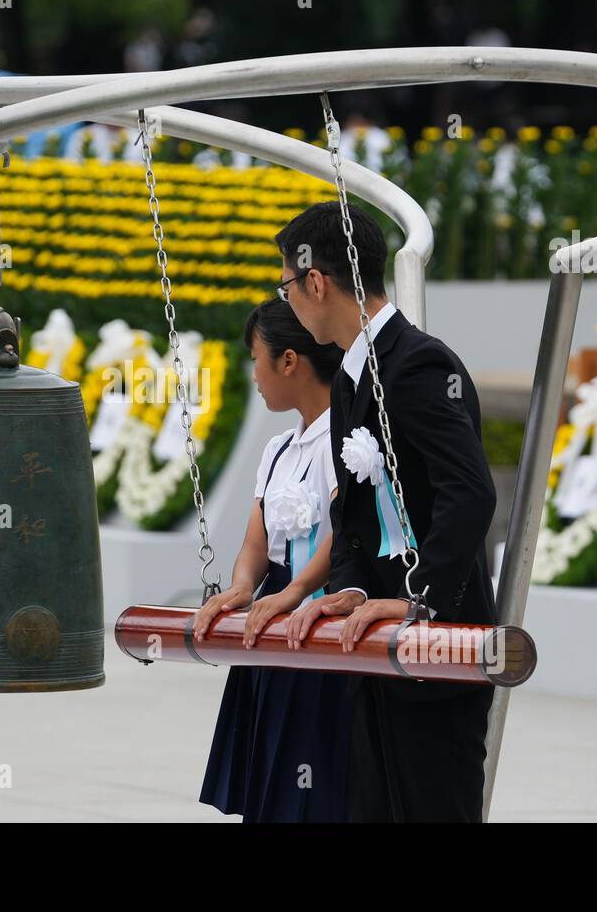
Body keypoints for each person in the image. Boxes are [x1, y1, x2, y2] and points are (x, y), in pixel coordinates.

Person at [277, 201, 498, 822]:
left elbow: (471, 491)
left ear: (315, 281)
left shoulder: (418, 362)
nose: (287, 300)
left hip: (434, 642)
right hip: (373, 641)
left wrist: (418, 599)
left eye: (287, 286)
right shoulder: (350, 375)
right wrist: (346, 586)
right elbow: (353, 506)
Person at [195, 298, 361, 822]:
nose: (254, 373)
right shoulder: (280, 449)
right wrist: (244, 588)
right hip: (274, 624)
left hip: (321, 620)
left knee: (315, 782)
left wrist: (293, 594)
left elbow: (347, 532)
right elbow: (255, 542)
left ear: (289, 361)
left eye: (256, 358)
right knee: (270, 785)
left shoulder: (348, 438)